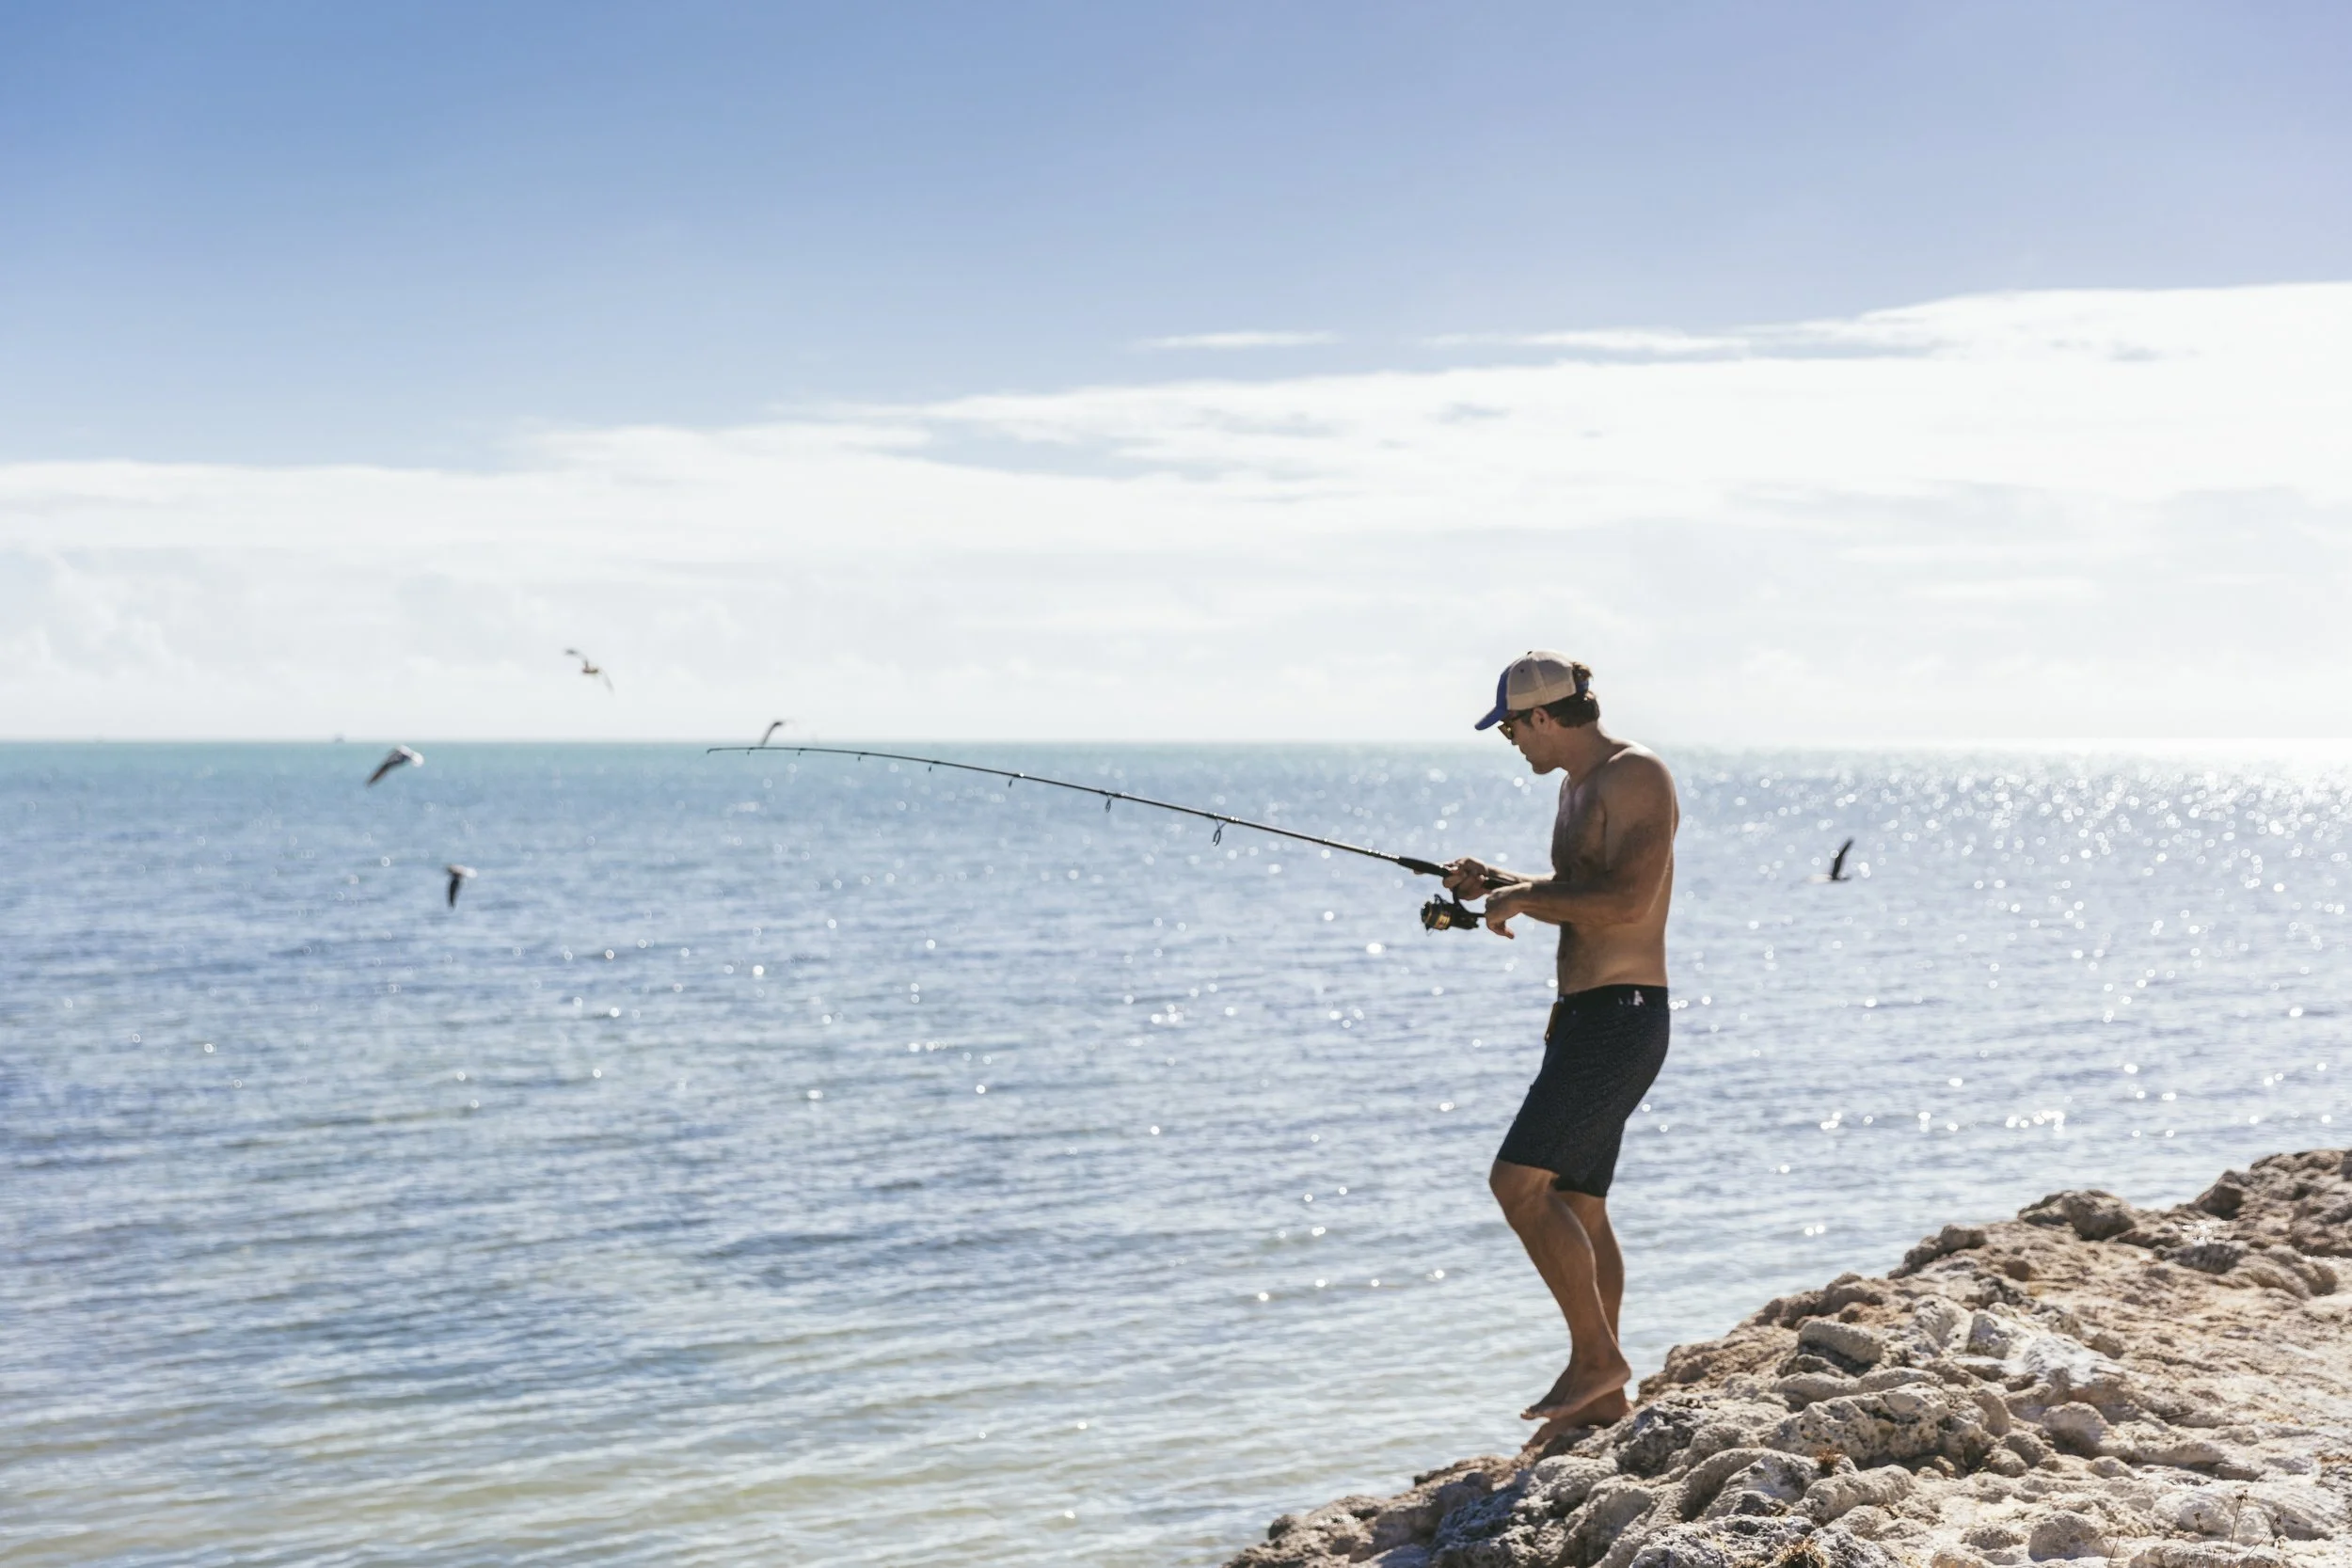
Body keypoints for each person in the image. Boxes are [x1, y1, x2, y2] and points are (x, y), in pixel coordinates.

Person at [1442, 650, 1679, 1434]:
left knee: (1517, 1184)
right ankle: (1605, 1400)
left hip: (1623, 1013)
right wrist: (1497, 880)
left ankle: (1596, 1360)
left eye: (1510, 725)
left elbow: (1626, 898)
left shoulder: (1633, 774)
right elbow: (1580, 889)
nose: (1508, 738)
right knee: (1581, 1203)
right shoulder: (1578, 789)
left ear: (1543, 716)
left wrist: (1529, 895)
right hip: (1584, 1015)